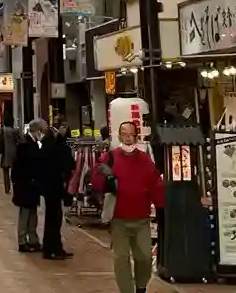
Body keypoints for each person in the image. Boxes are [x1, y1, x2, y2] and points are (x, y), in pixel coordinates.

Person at [92, 119, 164, 293]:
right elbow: (96, 178)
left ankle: (141, 287)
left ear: (137, 137)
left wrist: (161, 205)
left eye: (132, 134)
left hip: (141, 218)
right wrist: (106, 179)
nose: (128, 138)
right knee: (121, 259)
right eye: (124, 134)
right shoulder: (111, 156)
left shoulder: (145, 159)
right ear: (119, 136)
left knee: (145, 257)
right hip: (119, 219)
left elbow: (155, 183)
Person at [39, 113, 76, 260]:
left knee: (54, 217)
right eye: (65, 127)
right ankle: (51, 248)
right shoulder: (54, 141)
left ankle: (54, 246)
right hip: (53, 184)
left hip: (52, 184)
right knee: (53, 218)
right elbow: (59, 160)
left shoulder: (52, 139)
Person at [13, 119, 47, 252]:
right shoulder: (24, 144)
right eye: (41, 131)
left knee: (32, 213)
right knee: (25, 213)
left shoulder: (32, 143)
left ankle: (33, 239)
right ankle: (22, 240)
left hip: (31, 186)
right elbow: (21, 167)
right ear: (37, 130)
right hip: (25, 185)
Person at [0, 116, 21, 195]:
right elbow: (20, 141)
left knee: (5, 172)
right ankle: (15, 186)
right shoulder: (15, 130)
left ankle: (7, 188)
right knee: (15, 171)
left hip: (5, 153)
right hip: (14, 153)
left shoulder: (2, 130)